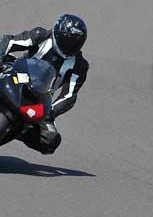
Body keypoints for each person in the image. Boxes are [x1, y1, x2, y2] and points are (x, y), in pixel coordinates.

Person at [0, 14, 89, 154]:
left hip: (41, 100)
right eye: (67, 41)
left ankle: (19, 132)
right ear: (58, 34)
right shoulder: (40, 35)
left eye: (74, 44)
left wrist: (51, 112)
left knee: (50, 140)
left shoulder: (80, 66)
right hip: (16, 76)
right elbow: (10, 41)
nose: (69, 47)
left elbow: (69, 95)